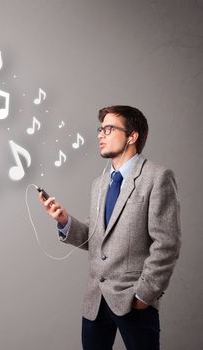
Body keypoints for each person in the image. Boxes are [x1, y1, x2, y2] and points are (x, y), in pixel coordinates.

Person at [39, 105, 181, 350]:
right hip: (95, 301)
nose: (100, 135)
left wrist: (143, 295)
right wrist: (64, 221)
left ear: (132, 136)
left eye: (109, 129)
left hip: (133, 299)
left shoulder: (158, 177)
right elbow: (97, 240)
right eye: (100, 129)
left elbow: (167, 244)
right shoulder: (100, 183)